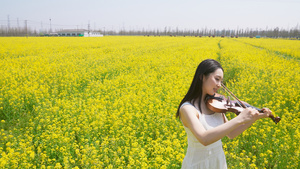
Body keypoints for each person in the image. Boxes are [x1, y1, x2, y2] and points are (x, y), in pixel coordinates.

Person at [176, 59, 272, 169]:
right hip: (197, 164)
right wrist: (240, 118)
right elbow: (204, 139)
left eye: (221, 81)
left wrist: (254, 118)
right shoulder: (188, 109)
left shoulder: (215, 105)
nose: (219, 85)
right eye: (217, 79)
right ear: (202, 76)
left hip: (218, 162)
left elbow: (231, 134)